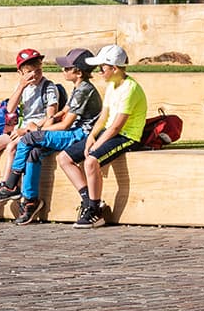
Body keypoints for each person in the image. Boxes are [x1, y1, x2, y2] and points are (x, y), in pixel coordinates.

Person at [5, 47, 101, 224]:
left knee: (28, 139)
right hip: (74, 132)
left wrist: (34, 130)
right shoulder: (79, 87)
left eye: (67, 68)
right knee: (34, 152)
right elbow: (61, 113)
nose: (62, 70)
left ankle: (11, 184)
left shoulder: (83, 90)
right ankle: (30, 201)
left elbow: (65, 124)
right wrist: (44, 123)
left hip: (81, 134)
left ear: (78, 72)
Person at [56, 44, 145, 228]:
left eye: (102, 68)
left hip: (126, 136)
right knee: (64, 158)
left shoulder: (130, 89)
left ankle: (95, 211)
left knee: (91, 161)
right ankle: (88, 200)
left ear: (114, 68)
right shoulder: (112, 85)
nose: (99, 71)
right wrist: (91, 137)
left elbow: (117, 126)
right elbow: (104, 117)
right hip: (110, 132)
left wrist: (96, 146)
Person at [0, 48, 65, 212]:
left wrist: (27, 130)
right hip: (21, 129)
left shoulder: (48, 87)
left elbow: (51, 117)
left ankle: (8, 187)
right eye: (29, 72)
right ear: (20, 72)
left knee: (12, 146)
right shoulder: (23, 86)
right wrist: (21, 86)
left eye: (38, 70)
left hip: (36, 130)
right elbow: (10, 109)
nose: (34, 75)